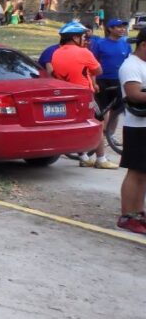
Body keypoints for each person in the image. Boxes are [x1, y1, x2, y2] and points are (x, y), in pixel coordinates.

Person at [50, 21, 117, 169]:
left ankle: (84, 157)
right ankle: (101, 159)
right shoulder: (84, 52)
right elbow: (99, 70)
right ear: (74, 37)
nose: (85, 40)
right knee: (98, 124)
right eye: (82, 37)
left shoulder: (56, 52)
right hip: (85, 95)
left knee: (78, 125)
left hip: (67, 95)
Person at [116, 28, 146, 233]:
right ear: (143, 45)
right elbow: (134, 94)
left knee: (144, 173)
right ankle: (127, 216)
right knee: (135, 172)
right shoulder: (131, 65)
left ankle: (138, 212)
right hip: (137, 127)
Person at [91, 18, 131, 120]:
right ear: (110, 29)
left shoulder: (126, 44)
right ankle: (102, 133)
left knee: (117, 110)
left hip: (119, 80)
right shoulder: (99, 43)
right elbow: (92, 64)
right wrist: (94, 82)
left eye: (123, 27)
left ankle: (110, 134)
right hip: (102, 80)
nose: (122, 29)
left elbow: (129, 62)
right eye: (119, 27)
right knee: (102, 110)